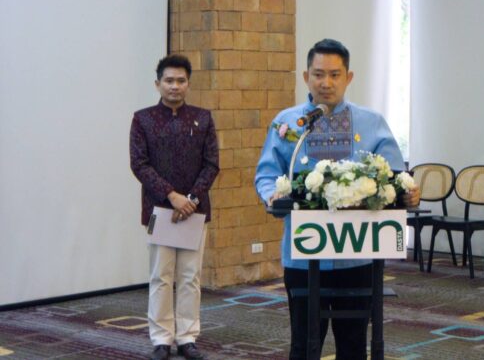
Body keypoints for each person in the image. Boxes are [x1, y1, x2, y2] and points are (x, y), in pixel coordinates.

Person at [254, 39, 420, 359]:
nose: (326, 83)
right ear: (306, 77)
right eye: (318, 74)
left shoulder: (372, 123)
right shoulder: (287, 123)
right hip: (304, 253)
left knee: (353, 344)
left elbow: (396, 177)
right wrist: (271, 193)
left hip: (356, 254)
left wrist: (408, 193)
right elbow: (266, 173)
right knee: (304, 344)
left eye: (334, 75)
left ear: (348, 77)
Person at [130, 54, 219, 360]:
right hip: (160, 209)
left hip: (195, 211)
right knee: (161, 276)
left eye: (181, 81)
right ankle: (161, 339)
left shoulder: (203, 118)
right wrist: (172, 196)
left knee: (191, 276)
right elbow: (139, 164)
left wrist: (190, 199)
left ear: (188, 84)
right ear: (158, 84)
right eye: (169, 80)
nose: (175, 86)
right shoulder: (142, 119)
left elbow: (211, 164)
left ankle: (187, 337)